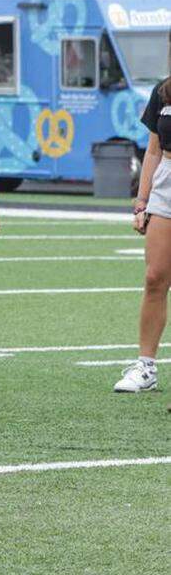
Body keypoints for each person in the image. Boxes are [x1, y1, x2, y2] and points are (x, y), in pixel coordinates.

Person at [114, 56, 171, 406]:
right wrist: (142, 201)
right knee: (154, 278)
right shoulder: (164, 90)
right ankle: (146, 367)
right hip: (165, 184)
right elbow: (152, 150)